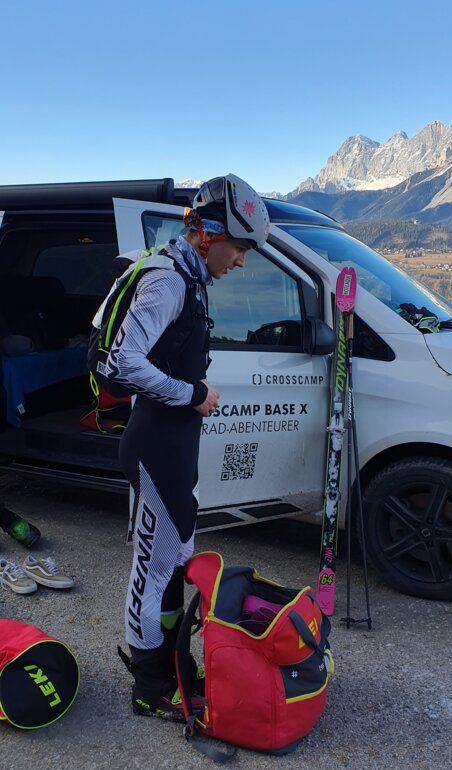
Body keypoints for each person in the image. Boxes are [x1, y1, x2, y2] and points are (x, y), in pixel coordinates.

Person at [105, 175, 270, 721]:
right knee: (152, 571)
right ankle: (148, 686)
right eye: (240, 248)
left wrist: (187, 395)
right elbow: (119, 362)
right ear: (210, 234)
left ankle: (174, 666)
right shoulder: (169, 282)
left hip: (174, 451)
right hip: (154, 448)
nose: (242, 261)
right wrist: (192, 393)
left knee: (176, 563)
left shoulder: (190, 277)